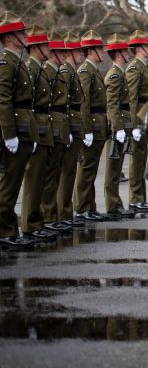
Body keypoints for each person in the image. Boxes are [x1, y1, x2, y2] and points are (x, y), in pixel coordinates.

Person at [0, 12, 38, 250]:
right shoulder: (6, 62)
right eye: (22, 33)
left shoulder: (17, 61)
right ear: (11, 37)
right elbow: (3, 99)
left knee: (13, 184)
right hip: (15, 129)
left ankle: (9, 229)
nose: (25, 36)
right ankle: (5, 232)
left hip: (24, 128)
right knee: (9, 183)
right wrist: (9, 133)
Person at [20, 26, 61, 241]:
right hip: (35, 126)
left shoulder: (37, 69)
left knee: (42, 177)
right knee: (34, 178)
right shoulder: (33, 69)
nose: (49, 49)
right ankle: (29, 224)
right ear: (36, 48)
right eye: (45, 45)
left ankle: (36, 222)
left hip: (43, 127)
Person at [74, 30, 109, 222]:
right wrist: (86, 130)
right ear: (91, 51)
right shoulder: (85, 71)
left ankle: (90, 206)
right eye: (99, 49)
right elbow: (84, 103)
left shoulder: (94, 70)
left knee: (92, 168)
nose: (103, 53)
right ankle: (81, 208)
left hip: (98, 124)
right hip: (92, 125)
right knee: (86, 168)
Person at [56, 33, 90, 228]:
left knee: (70, 171)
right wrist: (68, 128)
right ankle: (63, 213)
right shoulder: (66, 72)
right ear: (69, 52)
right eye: (78, 51)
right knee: (66, 172)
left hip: (74, 124)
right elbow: (65, 104)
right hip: (68, 123)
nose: (81, 54)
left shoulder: (72, 71)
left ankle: (65, 212)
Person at [39, 32, 72, 231]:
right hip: (50, 124)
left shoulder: (56, 72)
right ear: (53, 53)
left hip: (60, 124)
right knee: (48, 175)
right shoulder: (48, 72)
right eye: (61, 52)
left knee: (57, 172)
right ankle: (48, 217)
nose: (65, 56)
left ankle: (53, 216)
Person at [103, 33, 136, 219]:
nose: (128, 54)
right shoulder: (115, 75)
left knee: (117, 166)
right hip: (118, 125)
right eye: (124, 51)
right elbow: (112, 103)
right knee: (112, 168)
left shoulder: (120, 73)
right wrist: (117, 127)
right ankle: (112, 205)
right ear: (117, 54)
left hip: (123, 122)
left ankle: (116, 203)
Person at [126, 30, 148, 215]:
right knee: (136, 160)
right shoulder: (134, 68)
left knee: (141, 158)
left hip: (144, 118)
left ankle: (140, 198)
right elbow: (131, 98)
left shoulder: (143, 67)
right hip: (138, 118)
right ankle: (135, 199)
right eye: (146, 46)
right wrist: (134, 124)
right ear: (138, 49)